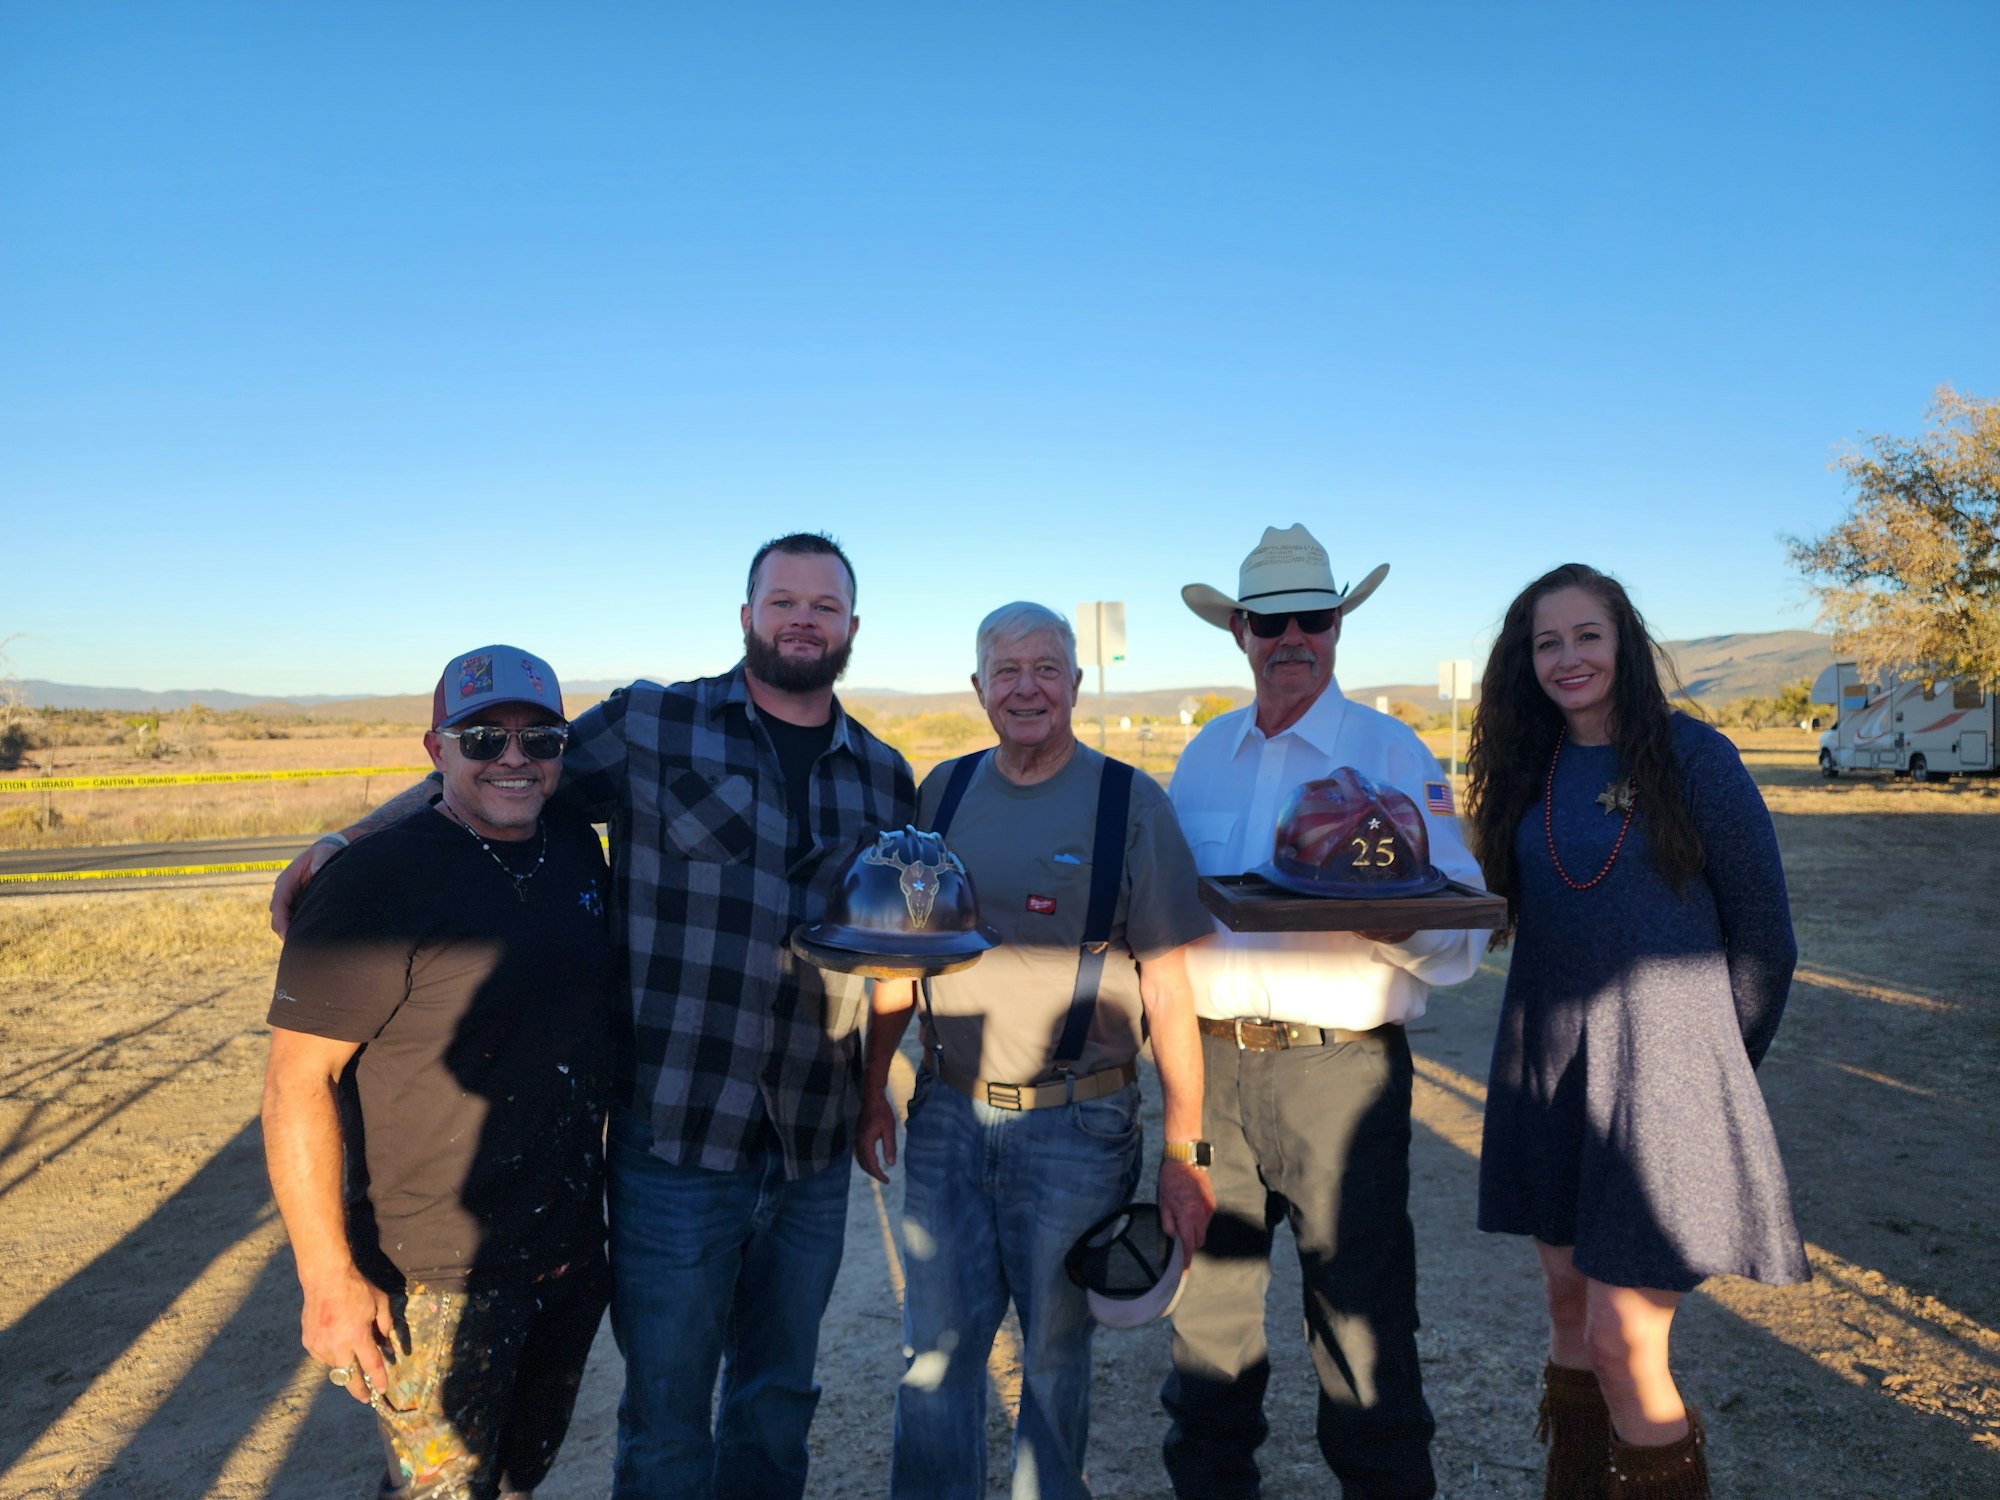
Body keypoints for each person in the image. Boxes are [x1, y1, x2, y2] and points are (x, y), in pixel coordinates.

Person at [270, 534, 916, 1500]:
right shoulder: (656, 724)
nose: (802, 620)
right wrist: (347, 838)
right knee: (666, 1413)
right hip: (675, 1141)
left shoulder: (883, 774)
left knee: (780, 1395)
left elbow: (891, 950)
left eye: (824, 606)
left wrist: (870, 1097)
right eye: (782, 601)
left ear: (852, 626)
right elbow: (497, 773)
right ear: (747, 617)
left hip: (811, 1144)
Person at [854, 601, 1215, 1500]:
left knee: (1053, 1360)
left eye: (1046, 669)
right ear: (978, 688)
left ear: (1077, 685)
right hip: (946, 1116)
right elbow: (899, 961)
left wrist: (1186, 1151)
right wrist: (871, 1090)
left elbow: (1171, 990)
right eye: (1007, 671)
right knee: (934, 1356)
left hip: (1077, 1127)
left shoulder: (1130, 803)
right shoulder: (940, 794)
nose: (1027, 689)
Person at [1464, 563, 1806, 1499]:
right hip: (1552, 1072)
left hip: (1668, 1087)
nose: (1568, 658)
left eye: (1587, 635)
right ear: (1524, 661)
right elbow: (1490, 910)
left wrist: (1711, 1071)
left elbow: (1767, 941)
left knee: (1623, 1341)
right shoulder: (1528, 769)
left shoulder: (1697, 759)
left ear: (1624, 642)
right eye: (1547, 642)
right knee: (1569, 1312)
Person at [1161, 524, 1487, 1500]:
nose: (1291, 637)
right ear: (1238, 632)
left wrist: (1388, 914)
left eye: (1312, 617)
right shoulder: (1201, 757)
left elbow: (1461, 936)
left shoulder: (1392, 753)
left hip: (1339, 1074)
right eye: (1270, 622)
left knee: (1361, 1321)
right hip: (1212, 1070)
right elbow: (1163, 917)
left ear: (1339, 624)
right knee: (1207, 1321)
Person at [263, 645, 614, 1500]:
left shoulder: (575, 844)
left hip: (565, 1253)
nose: (514, 760)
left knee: (516, 1479)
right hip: (432, 1276)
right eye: (483, 739)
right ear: (436, 750)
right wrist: (328, 1280)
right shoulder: (371, 885)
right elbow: (295, 1084)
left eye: (541, 740)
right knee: (440, 1491)